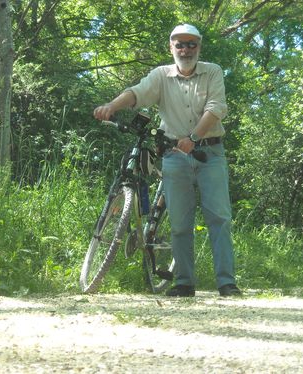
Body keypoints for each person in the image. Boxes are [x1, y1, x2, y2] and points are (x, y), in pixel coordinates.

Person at [93, 24, 241, 297]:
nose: (185, 49)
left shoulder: (213, 71)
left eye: (191, 44)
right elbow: (137, 92)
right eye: (179, 44)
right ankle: (184, 283)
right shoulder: (161, 75)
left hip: (210, 152)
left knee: (219, 218)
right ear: (171, 47)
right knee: (180, 222)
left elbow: (216, 108)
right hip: (174, 156)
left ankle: (226, 283)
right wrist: (111, 106)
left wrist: (194, 137)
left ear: (199, 46)